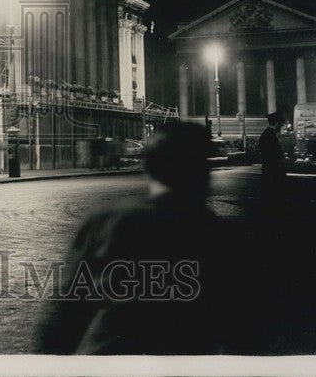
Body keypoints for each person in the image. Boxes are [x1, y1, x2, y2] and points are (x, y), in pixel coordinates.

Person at [36, 121, 233, 355]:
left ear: (149, 167)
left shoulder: (108, 221)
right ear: (202, 171)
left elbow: (63, 315)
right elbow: (245, 332)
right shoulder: (222, 236)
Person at [258, 110, 287, 212]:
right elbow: (273, 155)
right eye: (281, 123)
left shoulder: (266, 134)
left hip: (269, 169)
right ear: (277, 123)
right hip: (273, 170)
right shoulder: (270, 135)